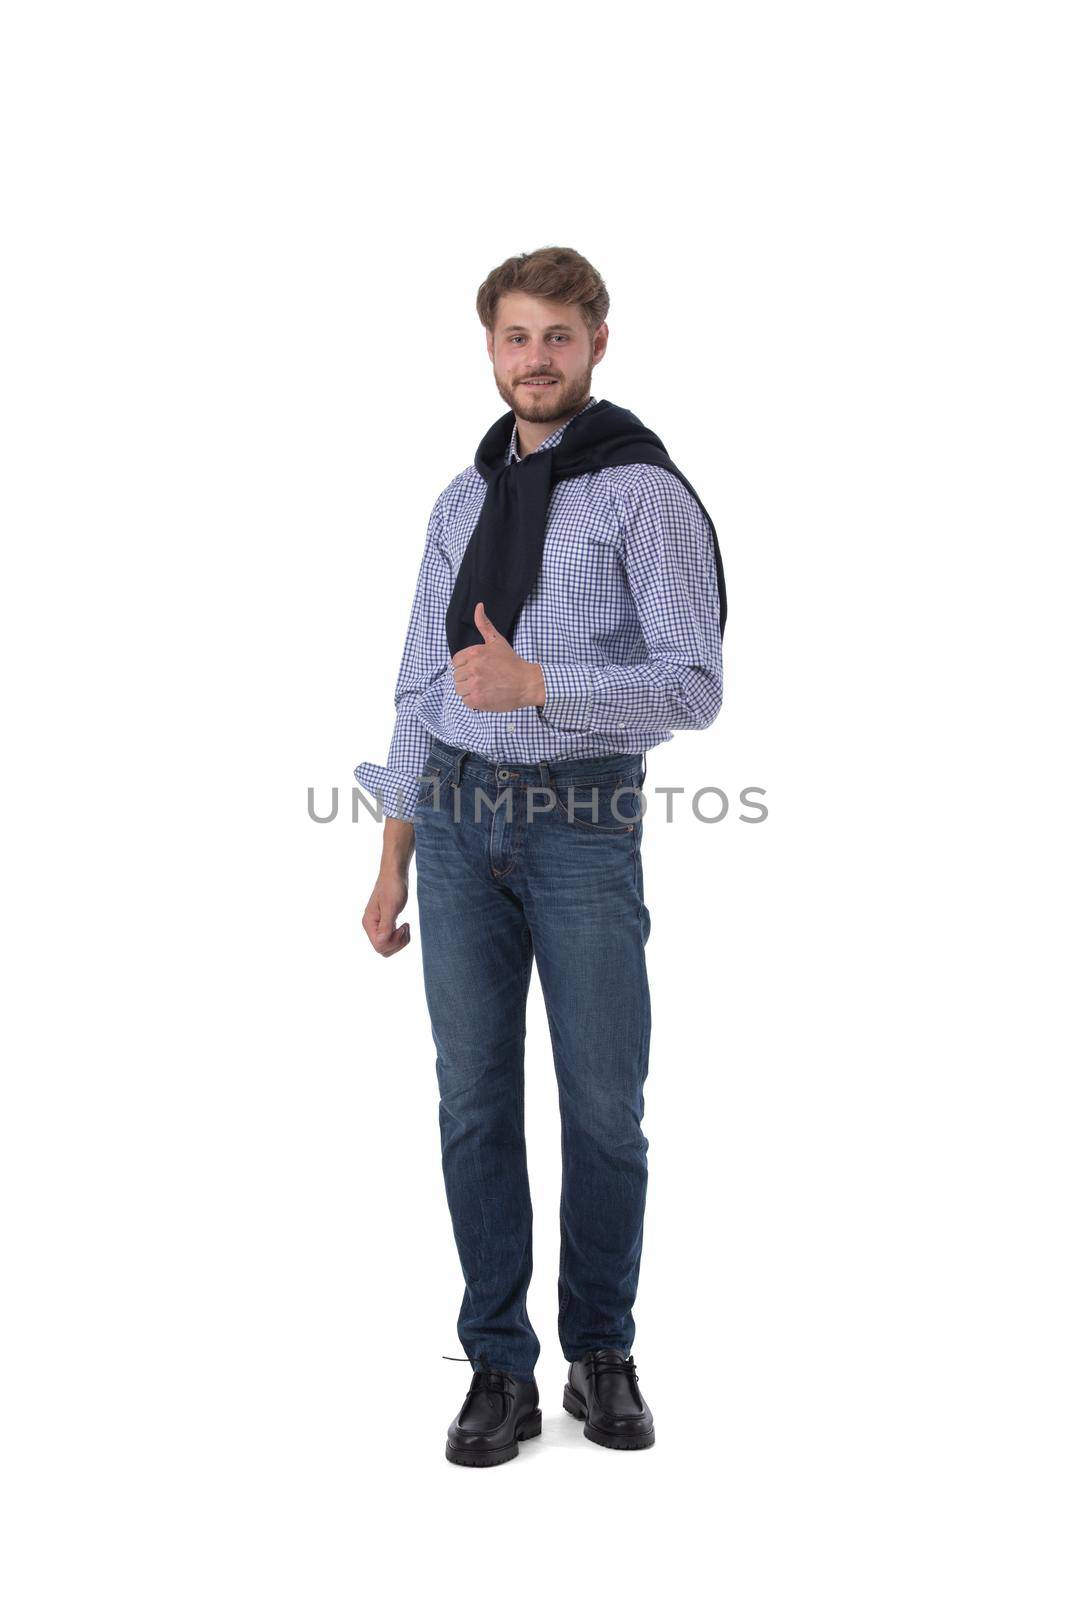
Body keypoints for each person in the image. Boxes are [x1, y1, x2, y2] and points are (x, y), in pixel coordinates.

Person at [355, 246, 725, 1466]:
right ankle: (498, 1366)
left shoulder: (639, 493)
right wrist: (394, 856)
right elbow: (418, 683)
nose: (535, 359)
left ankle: (600, 1350)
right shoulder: (459, 502)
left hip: (578, 822)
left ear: (597, 345)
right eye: (515, 337)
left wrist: (540, 684)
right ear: (491, 349)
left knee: (604, 1104)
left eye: (557, 337)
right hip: (455, 827)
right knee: (471, 1101)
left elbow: (692, 685)